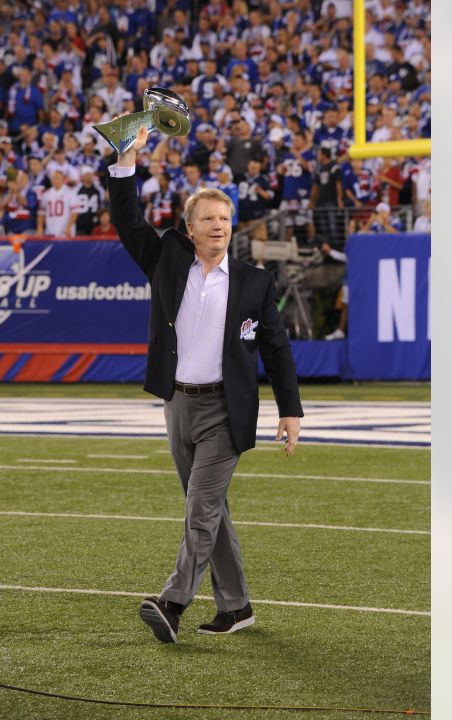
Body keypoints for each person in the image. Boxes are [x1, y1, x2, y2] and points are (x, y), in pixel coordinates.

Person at [107, 125, 303, 644]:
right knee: (209, 509)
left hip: (226, 410)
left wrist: (291, 410)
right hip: (178, 404)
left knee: (199, 508)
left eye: (224, 218)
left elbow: (277, 349)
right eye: (208, 219)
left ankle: (171, 602)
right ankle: (237, 607)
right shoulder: (168, 261)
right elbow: (128, 222)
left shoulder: (255, 283)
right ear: (189, 227)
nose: (218, 226)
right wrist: (126, 161)